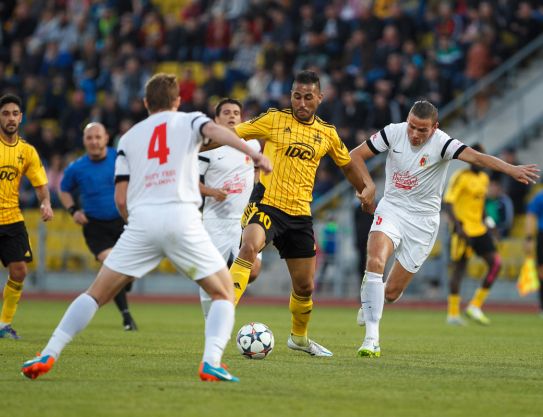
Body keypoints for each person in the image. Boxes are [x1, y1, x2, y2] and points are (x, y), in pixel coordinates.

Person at [21, 73, 271, 382]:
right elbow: (215, 131)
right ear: (177, 101)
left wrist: (134, 227)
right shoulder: (190, 120)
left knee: (96, 294)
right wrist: (255, 153)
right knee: (222, 294)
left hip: (142, 221)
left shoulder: (128, 138)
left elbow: (121, 198)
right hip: (182, 218)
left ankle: (50, 351)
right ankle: (211, 361)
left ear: (145, 103)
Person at [350, 100, 539, 358]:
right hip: (391, 208)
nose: (415, 134)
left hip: (424, 222)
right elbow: (355, 155)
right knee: (375, 259)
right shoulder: (393, 132)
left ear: (434, 127)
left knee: (392, 293)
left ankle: (374, 298)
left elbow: (478, 157)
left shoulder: (442, 143)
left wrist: (511, 169)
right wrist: (368, 186)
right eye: (412, 127)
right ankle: (372, 339)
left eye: (422, 130)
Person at [229, 70, 375, 357]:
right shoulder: (273, 119)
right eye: (297, 96)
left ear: (319, 98)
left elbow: (346, 165)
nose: (302, 103)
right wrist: (200, 139)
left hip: (299, 215)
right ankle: (222, 317)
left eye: (308, 97)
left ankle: (299, 338)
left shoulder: (327, 133)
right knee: (249, 246)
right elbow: (234, 132)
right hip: (267, 204)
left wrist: (365, 189)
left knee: (305, 287)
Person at [59, 122, 137, 331]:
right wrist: (73, 210)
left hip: (123, 222)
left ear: (106, 138)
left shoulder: (119, 158)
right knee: (114, 264)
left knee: (127, 272)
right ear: (84, 141)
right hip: (95, 227)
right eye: (89, 138)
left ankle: (127, 282)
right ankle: (127, 317)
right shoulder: (76, 167)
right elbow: (64, 189)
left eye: (97, 137)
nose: (94, 141)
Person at [198, 98, 262, 318]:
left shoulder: (252, 144)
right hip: (215, 221)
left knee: (253, 271)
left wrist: (257, 187)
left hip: (245, 220)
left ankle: (225, 294)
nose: (232, 116)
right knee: (210, 275)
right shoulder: (206, 149)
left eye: (236, 112)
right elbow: (191, 182)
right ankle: (212, 319)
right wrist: (213, 192)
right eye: (226, 112)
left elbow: (257, 171)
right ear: (216, 119)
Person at [0, 94, 54, 339]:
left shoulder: (27, 151)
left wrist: (46, 203)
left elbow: (40, 185)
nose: (10, 118)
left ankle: (3, 325)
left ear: (20, 117)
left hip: (12, 218)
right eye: (5, 113)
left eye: (14, 113)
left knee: (19, 271)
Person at [442, 144, 502, 326]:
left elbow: (480, 204)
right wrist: (458, 227)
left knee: (496, 264)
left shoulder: (484, 178)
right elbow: (448, 203)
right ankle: (452, 314)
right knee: (459, 270)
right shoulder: (460, 177)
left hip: (479, 229)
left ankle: (475, 306)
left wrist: (490, 224)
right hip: (463, 231)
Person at [525, 188, 543, 316]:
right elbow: (531, 217)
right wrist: (529, 238)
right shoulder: (540, 197)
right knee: (541, 272)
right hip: (542, 236)